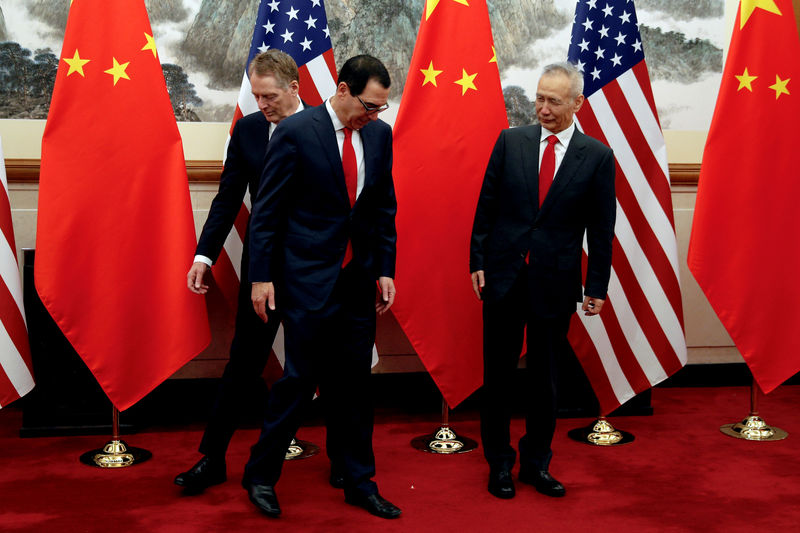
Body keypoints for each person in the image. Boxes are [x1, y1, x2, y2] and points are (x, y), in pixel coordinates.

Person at [174, 50, 340, 494]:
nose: (262, 104)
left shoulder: (328, 129)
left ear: (294, 88)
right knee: (242, 364)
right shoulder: (248, 131)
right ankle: (212, 460)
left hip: (317, 272)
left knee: (328, 365)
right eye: (257, 95)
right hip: (263, 269)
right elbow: (228, 198)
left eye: (270, 96)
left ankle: (344, 461)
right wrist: (204, 255)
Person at [243, 55, 400, 519]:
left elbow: (383, 206)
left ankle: (359, 481)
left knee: (354, 386)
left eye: (381, 108)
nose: (375, 115)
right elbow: (267, 213)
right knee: (298, 381)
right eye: (370, 105)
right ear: (344, 89)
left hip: (356, 281)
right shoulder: (297, 131)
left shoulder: (378, 135)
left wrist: (385, 267)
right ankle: (261, 475)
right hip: (306, 280)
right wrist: (260, 276)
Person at [469, 62, 615, 500]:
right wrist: (477, 259)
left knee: (545, 379)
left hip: (555, 282)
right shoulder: (511, 142)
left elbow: (601, 229)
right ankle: (499, 464)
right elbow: (486, 207)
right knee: (498, 376)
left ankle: (536, 463)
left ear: (577, 103)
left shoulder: (597, 157)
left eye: (553, 100)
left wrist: (597, 287)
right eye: (539, 98)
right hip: (504, 276)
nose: (543, 108)